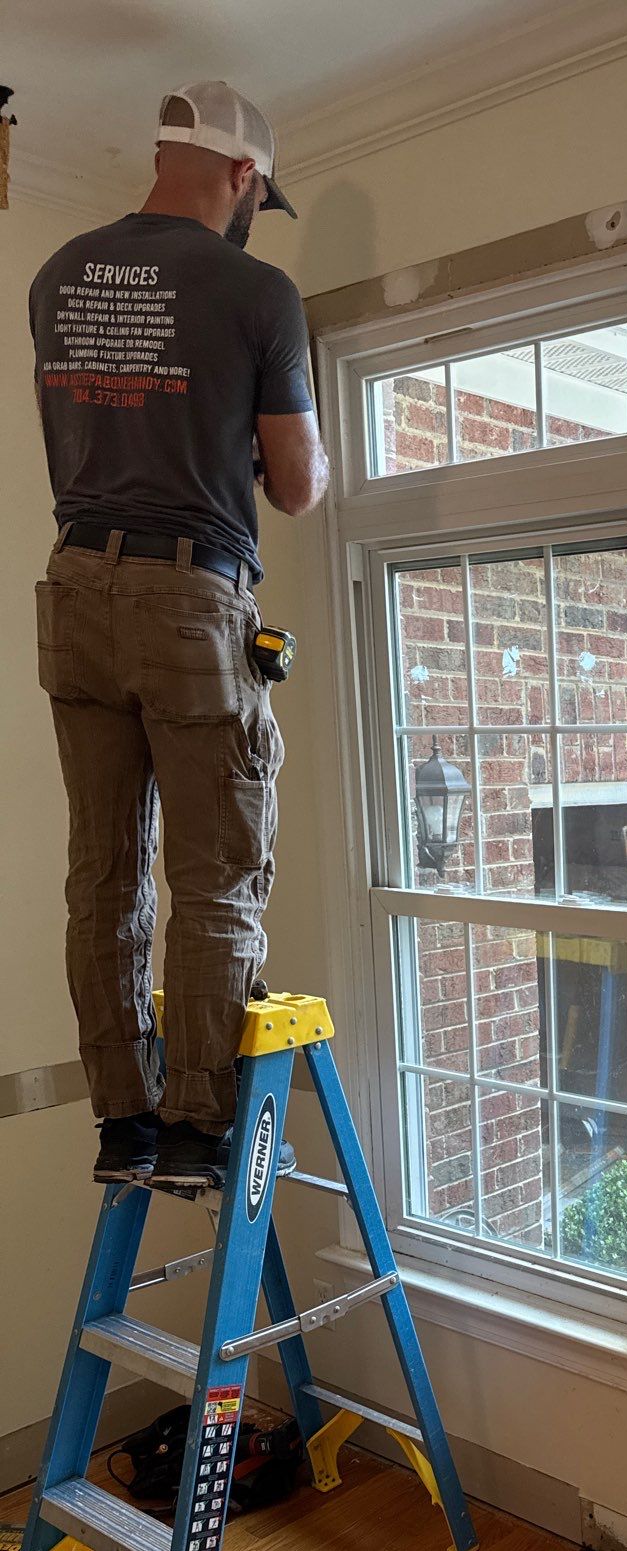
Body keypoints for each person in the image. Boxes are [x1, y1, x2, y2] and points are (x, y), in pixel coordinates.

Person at [29, 81, 329, 1190]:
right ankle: (198, 1127)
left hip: (73, 589)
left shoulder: (58, 273)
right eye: (259, 194)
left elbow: (125, 416)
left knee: (103, 874)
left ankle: (125, 1124)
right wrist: (268, 443)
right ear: (243, 174)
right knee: (214, 878)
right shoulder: (257, 290)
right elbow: (295, 486)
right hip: (190, 598)